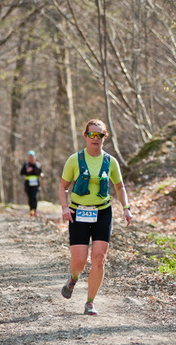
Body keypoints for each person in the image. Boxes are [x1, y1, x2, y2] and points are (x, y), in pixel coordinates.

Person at [57, 119, 133, 315]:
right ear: (85, 136)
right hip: (78, 212)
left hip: (102, 212)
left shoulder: (111, 161)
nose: (96, 138)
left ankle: (90, 302)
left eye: (100, 135)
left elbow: (120, 186)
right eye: (92, 134)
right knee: (80, 260)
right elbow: (63, 187)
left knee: (98, 259)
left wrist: (126, 208)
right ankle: (73, 277)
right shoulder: (74, 159)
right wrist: (65, 207)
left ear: (104, 137)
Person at [20, 150, 43, 217]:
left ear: (34, 157)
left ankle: (35, 210)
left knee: (34, 197)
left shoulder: (38, 165)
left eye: (32, 156)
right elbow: (21, 173)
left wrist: (41, 175)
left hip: (35, 184)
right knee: (30, 197)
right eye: (29, 157)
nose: (31, 158)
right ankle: (31, 210)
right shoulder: (26, 165)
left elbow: (41, 172)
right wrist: (26, 171)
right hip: (28, 184)